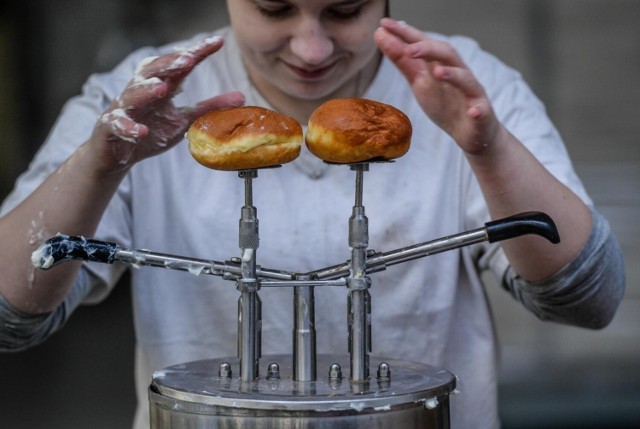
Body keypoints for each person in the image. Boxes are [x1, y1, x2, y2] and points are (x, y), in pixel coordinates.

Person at [0, 1, 625, 428]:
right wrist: (100, 164)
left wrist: (487, 150)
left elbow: (588, 300)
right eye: (274, 8)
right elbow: (10, 320)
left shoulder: (466, 87)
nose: (311, 45)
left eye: (346, 9)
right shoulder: (141, 99)